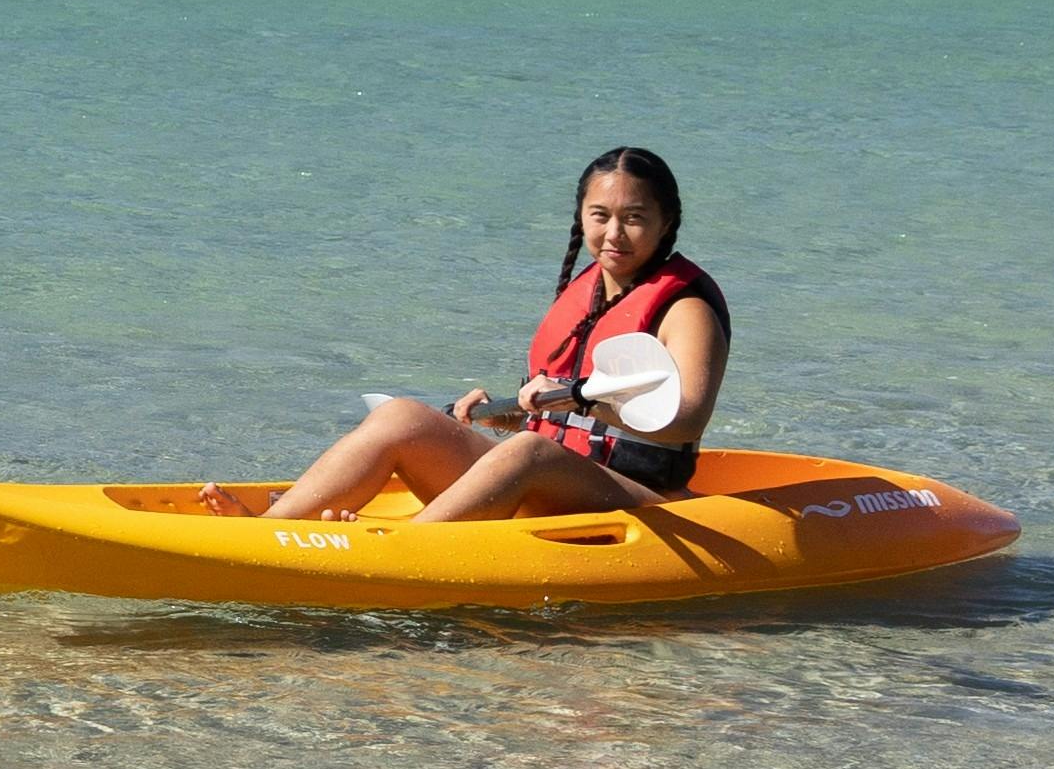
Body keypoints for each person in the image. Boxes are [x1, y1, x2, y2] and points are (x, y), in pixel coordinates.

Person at [269, 146, 730, 524]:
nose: (614, 233)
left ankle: (398, 550)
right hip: (557, 484)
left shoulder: (685, 308)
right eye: (599, 215)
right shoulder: (586, 291)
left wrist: (577, 399)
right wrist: (506, 415)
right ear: (580, 217)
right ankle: (275, 527)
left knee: (530, 452)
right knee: (403, 417)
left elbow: (686, 421)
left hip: (639, 500)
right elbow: (564, 426)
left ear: (666, 221)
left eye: (634, 218)